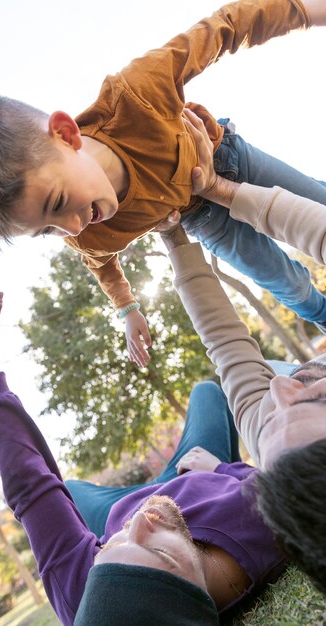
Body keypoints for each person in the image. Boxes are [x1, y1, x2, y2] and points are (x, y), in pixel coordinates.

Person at [0, 0, 326, 368]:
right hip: (204, 218)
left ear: (66, 135)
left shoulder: (136, 95)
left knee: (318, 210)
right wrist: (128, 310)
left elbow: (225, 27)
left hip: (230, 161)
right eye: (46, 231)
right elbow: (104, 269)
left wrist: (305, 12)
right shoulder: (88, 237)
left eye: (59, 202)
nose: (72, 227)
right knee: (288, 284)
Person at [0, 275, 290, 625]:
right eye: (158, 552)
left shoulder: (86, 601)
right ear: (196, 601)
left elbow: (29, 485)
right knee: (207, 393)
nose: (141, 522)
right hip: (195, 473)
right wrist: (220, 469)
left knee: (72, 491)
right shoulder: (266, 524)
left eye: (107, 550)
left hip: (116, 507)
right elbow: (263, 479)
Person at [159, 110, 326, 593]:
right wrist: (222, 190)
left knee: (269, 373)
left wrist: (174, 239)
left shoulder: (269, 434)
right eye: (314, 402)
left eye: (275, 423)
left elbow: (226, 341)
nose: (280, 391)